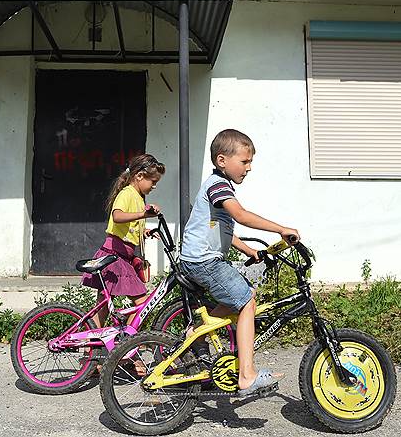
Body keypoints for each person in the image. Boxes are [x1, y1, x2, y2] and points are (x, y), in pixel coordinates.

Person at [179, 128, 300, 397]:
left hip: (200, 259)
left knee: (243, 295)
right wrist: (281, 229)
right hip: (203, 262)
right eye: (244, 162)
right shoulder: (218, 185)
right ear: (222, 160)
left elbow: (221, 227)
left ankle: (197, 331)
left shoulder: (218, 185)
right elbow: (241, 216)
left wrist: (248, 250)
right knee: (246, 300)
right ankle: (247, 375)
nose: (249, 167)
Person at [81, 153, 165, 327]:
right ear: (139, 176)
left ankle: (92, 349)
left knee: (102, 305)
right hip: (114, 257)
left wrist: (146, 232)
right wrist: (143, 213)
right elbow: (117, 216)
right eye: (153, 182)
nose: (155, 186)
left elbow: (129, 228)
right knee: (143, 302)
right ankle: (127, 342)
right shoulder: (127, 193)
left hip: (118, 256)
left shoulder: (138, 197)